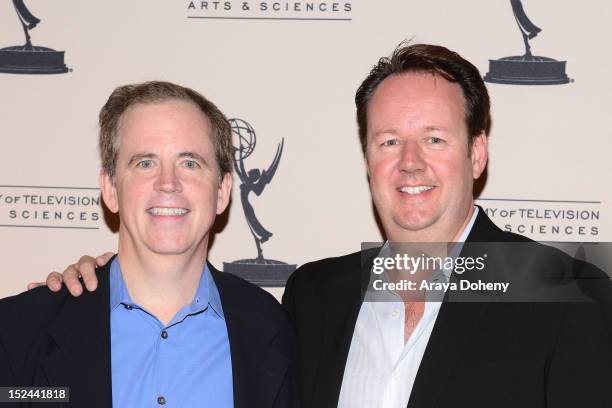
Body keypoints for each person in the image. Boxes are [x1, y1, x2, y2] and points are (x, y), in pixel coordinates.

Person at [38, 44, 612, 408]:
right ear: (367, 157)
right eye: (389, 141)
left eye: (435, 139)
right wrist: (96, 285)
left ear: (477, 153)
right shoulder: (315, 296)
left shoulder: (563, 293)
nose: (410, 162)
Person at [1, 81, 300, 408]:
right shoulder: (19, 330)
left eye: (190, 163)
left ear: (222, 191)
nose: (168, 183)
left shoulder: (272, 329)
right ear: (111, 189)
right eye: (145, 162)